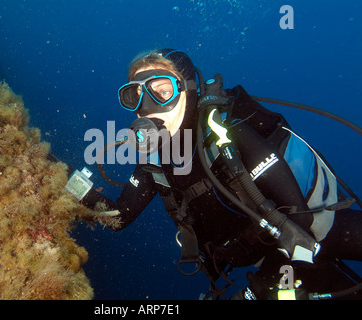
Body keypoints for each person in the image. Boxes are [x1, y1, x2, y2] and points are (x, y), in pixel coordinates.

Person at [76, 48, 362, 300]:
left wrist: (257, 289)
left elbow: (300, 219)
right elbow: (118, 217)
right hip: (273, 258)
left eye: (162, 91)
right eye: (134, 96)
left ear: (187, 91)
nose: (146, 107)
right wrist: (62, 179)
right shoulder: (155, 161)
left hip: (329, 231)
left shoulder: (228, 134)